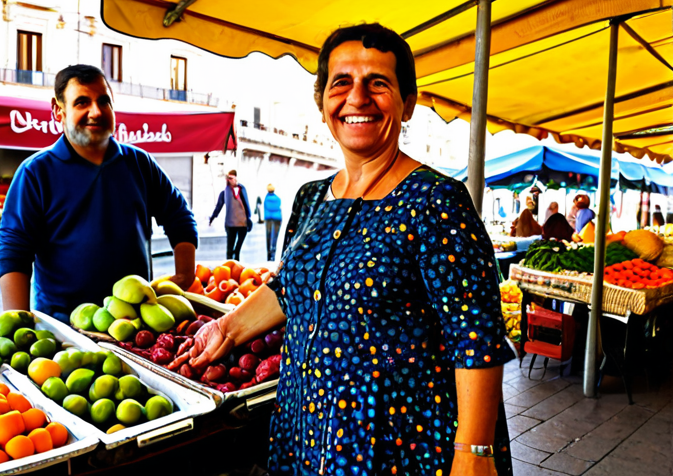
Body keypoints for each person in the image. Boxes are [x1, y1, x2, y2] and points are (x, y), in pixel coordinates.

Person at [186, 23, 513, 476]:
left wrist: (474, 454)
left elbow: (475, 339)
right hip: (306, 428)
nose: (357, 97)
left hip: (398, 441)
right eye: (342, 82)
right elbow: (291, 289)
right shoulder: (309, 198)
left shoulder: (438, 201)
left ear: (408, 103)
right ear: (323, 104)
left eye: (378, 83)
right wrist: (225, 328)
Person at [0, 64, 197, 323]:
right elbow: (13, 250)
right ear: (58, 111)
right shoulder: (35, 172)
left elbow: (179, 215)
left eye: (104, 101)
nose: (96, 112)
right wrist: (18, 324)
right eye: (81, 102)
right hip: (64, 329)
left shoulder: (140, 164)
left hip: (135, 326)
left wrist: (185, 275)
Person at [209, 169, 252, 260]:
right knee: (230, 247)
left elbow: (246, 204)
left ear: (236, 178)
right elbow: (219, 206)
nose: (229, 180)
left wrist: (249, 218)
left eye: (231, 178)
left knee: (238, 248)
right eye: (228, 178)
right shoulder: (224, 193)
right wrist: (212, 217)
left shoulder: (242, 189)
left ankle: (237, 262)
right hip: (231, 223)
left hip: (242, 223)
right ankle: (229, 266)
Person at [263, 184, 282, 261]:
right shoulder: (278, 199)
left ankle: (269, 253)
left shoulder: (266, 198)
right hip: (277, 218)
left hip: (268, 219)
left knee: (268, 235)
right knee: (275, 236)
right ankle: (273, 252)